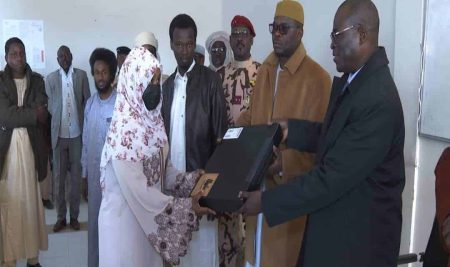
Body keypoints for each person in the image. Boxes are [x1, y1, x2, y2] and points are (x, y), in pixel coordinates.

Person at [240, 1, 405, 267]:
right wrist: (291, 131)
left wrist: (266, 202)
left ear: (361, 34)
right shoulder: (356, 80)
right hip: (333, 238)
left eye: (336, 35)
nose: (331, 44)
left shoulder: (378, 99)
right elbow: (334, 134)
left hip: (356, 247)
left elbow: (330, 178)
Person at [97, 46, 213, 267]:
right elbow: (141, 192)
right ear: (133, 83)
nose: (154, 88)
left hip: (146, 224)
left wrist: (193, 181)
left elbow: (164, 171)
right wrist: (188, 207)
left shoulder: (153, 123)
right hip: (125, 229)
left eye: (157, 81)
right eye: (149, 81)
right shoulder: (123, 135)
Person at [236, 1, 331, 266]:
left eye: (284, 28)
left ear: (300, 32)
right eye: (274, 28)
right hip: (255, 192)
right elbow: (252, 117)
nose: (277, 34)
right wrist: (231, 137)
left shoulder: (319, 80)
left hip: (288, 204)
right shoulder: (264, 71)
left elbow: (323, 150)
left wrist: (281, 166)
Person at [162, 14, 227, 267]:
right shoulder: (167, 87)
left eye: (189, 44)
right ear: (171, 45)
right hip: (171, 188)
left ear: (195, 43)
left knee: (201, 256)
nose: (184, 51)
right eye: (179, 44)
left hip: (201, 184)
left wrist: (212, 190)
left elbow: (220, 139)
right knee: (175, 254)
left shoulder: (211, 81)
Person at [0, 37, 49, 267]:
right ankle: (9, 258)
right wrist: (29, 114)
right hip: (7, 153)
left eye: (21, 53)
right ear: (6, 57)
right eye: (13, 54)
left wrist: (18, 113)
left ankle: (32, 258)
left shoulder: (37, 80)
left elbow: (43, 110)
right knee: (10, 206)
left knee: (31, 204)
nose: (18, 58)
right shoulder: (0, 82)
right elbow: (5, 116)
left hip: (31, 150)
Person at [217, 15, 261, 267]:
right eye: (235, 34)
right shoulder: (219, 74)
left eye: (245, 33)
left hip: (252, 161)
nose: (240, 38)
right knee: (227, 227)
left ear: (252, 39)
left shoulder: (263, 73)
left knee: (250, 228)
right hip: (226, 160)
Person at [46, 45, 91, 232]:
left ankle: (74, 217)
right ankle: (60, 217)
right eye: (60, 56)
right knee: (58, 178)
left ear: (71, 56)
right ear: (57, 59)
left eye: (66, 55)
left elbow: (87, 102)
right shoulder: (50, 79)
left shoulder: (81, 76)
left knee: (74, 178)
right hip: (59, 135)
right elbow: (49, 105)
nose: (64, 58)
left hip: (77, 136)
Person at [81, 48, 118, 267]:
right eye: (96, 72)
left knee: (112, 229)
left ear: (112, 74)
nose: (100, 77)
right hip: (95, 181)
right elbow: (86, 143)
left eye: (104, 72)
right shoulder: (90, 104)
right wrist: (84, 176)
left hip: (114, 181)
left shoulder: (120, 105)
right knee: (94, 228)